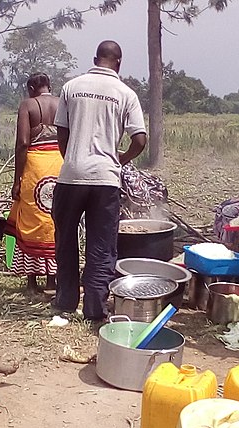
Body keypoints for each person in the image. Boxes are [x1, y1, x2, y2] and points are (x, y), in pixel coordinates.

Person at [52, 40, 147, 322]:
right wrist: (121, 160)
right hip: (106, 179)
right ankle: (95, 309)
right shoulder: (126, 93)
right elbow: (140, 140)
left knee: (66, 240)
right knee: (101, 246)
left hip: (71, 177)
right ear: (119, 62)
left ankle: (65, 301)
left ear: (95, 59)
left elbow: (62, 131)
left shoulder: (72, 87)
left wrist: (72, 158)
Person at [6, 73, 63, 294]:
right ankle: (52, 279)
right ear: (49, 86)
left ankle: (32, 280)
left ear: (31, 87)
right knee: (54, 219)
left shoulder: (28, 105)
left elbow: (22, 142)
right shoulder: (62, 102)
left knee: (31, 216)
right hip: (59, 163)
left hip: (36, 166)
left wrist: (17, 180)